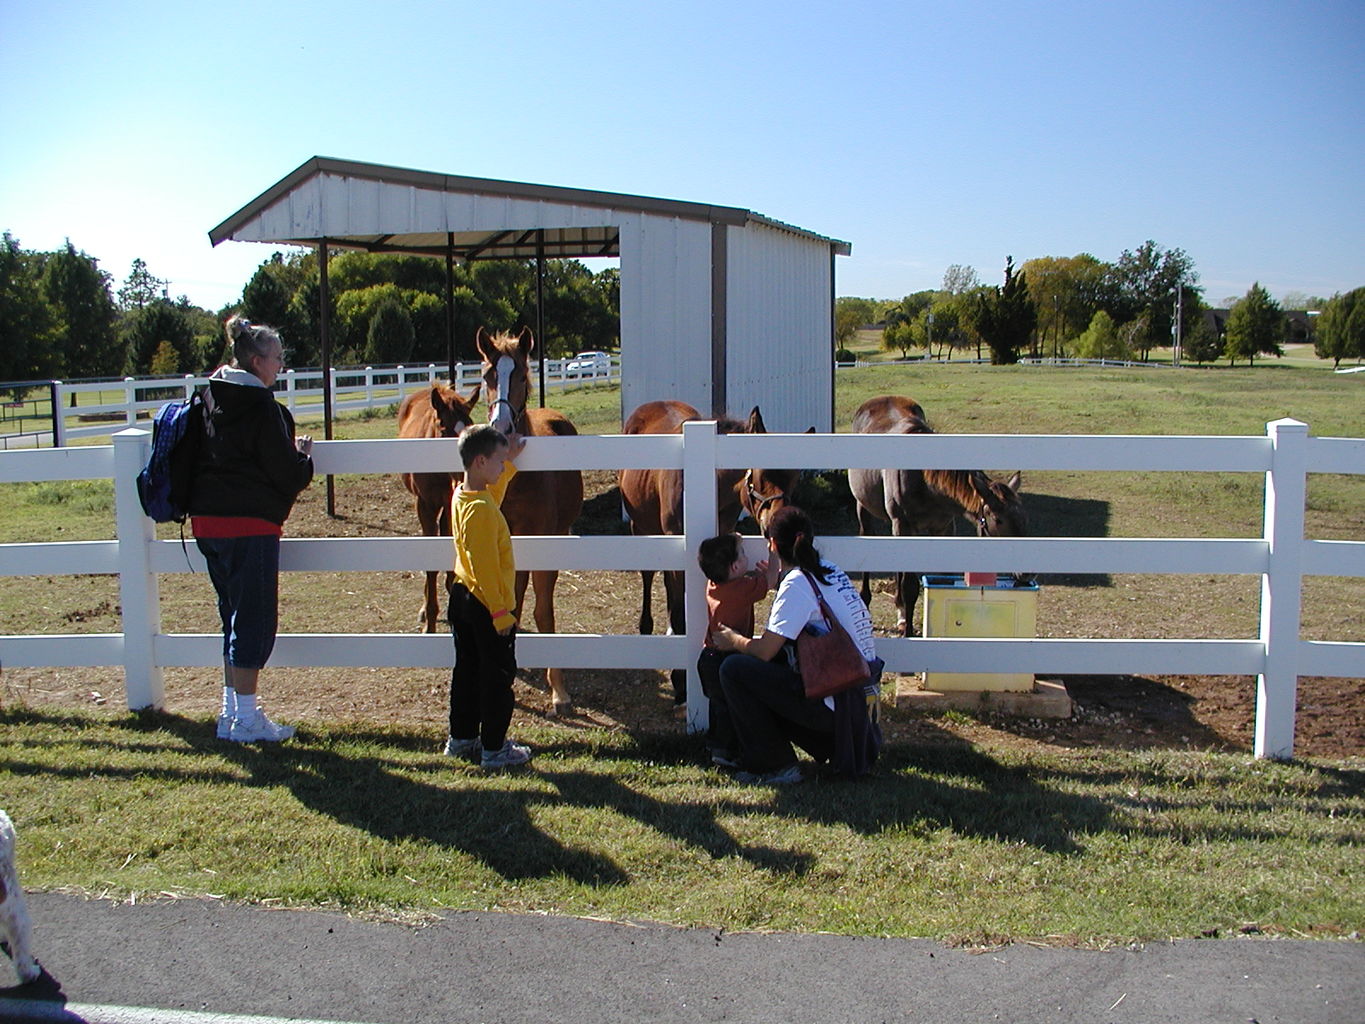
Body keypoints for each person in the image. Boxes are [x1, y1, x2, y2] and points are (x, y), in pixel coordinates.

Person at [190, 315, 313, 743]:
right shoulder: (261, 407)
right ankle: (245, 718)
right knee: (254, 621)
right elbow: (285, 475)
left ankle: (231, 713)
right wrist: (304, 459)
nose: (280, 366)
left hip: (206, 523)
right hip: (249, 525)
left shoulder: (208, 396)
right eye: (277, 359)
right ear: (258, 361)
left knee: (232, 617)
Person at [711, 505, 881, 784]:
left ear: (773, 545)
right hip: (857, 713)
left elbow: (765, 651)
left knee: (734, 669)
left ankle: (774, 765)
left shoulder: (797, 584)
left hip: (836, 712)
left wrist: (734, 640)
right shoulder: (830, 570)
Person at [443, 423, 531, 770]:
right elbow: (485, 566)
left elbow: (491, 498)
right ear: (480, 462)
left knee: (466, 671)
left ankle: (461, 738)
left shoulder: (464, 495)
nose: (501, 465)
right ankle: (495, 749)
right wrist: (500, 612)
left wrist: (508, 465)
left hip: (463, 597)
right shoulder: (480, 511)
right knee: (497, 677)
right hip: (485, 604)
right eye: (498, 461)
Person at [696, 532, 779, 768]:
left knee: (718, 705)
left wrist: (732, 539)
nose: (746, 556)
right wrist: (773, 550)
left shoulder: (713, 585)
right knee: (731, 707)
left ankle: (716, 747)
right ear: (734, 567)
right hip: (727, 657)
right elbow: (772, 579)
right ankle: (728, 753)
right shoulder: (742, 589)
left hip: (708, 657)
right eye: (742, 554)